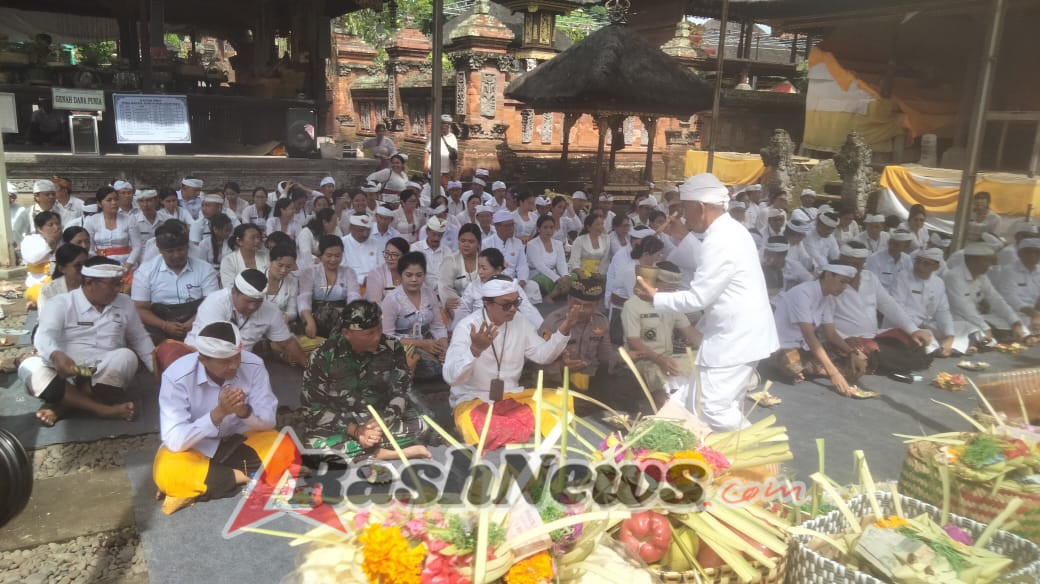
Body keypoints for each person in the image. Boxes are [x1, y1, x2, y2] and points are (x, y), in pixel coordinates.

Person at [634, 173, 778, 431]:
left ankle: (758, 458)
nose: (681, 216)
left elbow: (698, 296)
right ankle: (717, 460)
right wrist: (683, 238)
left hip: (734, 339)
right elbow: (708, 265)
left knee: (712, 408)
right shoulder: (730, 230)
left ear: (700, 207)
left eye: (684, 209)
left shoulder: (721, 239)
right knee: (693, 401)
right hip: (737, 335)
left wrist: (655, 297)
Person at [153, 321, 287, 515]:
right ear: (203, 359)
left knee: (283, 449)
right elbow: (174, 441)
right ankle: (246, 476)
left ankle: (209, 481)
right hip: (196, 447)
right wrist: (218, 414)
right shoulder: (177, 377)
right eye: (224, 361)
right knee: (168, 472)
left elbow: (268, 421)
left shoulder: (253, 365)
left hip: (240, 439)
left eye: (236, 357)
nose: (233, 365)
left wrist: (244, 412)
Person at [444, 276, 581, 449]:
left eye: (516, 303)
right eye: (506, 304)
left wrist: (564, 329)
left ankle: (510, 431)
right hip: (474, 400)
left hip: (512, 396)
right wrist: (475, 350)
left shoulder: (520, 321)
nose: (513, 309)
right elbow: (452, 378)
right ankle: (521, 429)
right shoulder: (466, 327)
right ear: (487, 303)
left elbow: (542, 356)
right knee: (475, 423)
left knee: (561, 400)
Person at [20, 258, 155, 427]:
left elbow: (140, 338)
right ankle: (102, 409)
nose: (118, 289)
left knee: (127, 357)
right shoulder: (61, 303)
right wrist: (56, 355)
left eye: (118, 283)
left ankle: (64, 406)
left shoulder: (124, 302)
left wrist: (156, 370)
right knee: (29, 366)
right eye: (112, 284)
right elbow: (44, 336)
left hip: (100, 370)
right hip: (66, 371)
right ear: (90, 282)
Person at [300, 300, 432, 461]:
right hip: (342, 423)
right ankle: (385, 453)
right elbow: (312, 408)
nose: (377, 337)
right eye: (369, 333)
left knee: (423, 425)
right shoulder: (323, 356)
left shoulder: (391, 347)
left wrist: (383, 419)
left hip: (379, 418)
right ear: (347, 333)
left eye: (379, 330)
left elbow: (401, 389)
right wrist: (355, 431)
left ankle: (361, 451)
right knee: (311, 447)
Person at [831, 242, 934, 374]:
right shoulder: (832, 283)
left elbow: (888, 305)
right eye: (848, 264)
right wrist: (843, 338)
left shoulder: (870, 278)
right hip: (848, 340)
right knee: (875, 352)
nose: (852, 269)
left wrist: (913, 330)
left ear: (864, 263)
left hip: (874, 337)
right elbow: (823, 321)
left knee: (910, 339)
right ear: (841, 261)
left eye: (856, 265)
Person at [769, 264, 864, 396]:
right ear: (828, 275)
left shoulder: (825, 298)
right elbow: (809, 336)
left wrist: (851, 352)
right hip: (785, 348)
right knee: (789, 361)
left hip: (807, 350)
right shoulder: (803, 293)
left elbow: (831, 334)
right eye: (841, 282)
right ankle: (828, 370)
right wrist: (834, 373)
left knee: (857, 356)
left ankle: (818, 369)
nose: (843, 288)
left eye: (846, 284)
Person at [186, 269, 308, 366]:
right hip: (201, 357)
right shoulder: (215, 302)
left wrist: (308, 367)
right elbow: (214, 345)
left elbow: (286, 342)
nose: (252, 307)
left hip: (240, 363)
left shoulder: (271, 310)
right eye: (248, 301)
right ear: (234, 292)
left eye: (258, 302)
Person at [623, 262, 701, 407]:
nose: (672, 290)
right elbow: (634, 342)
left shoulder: (671, 305)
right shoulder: (632, 305)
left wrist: (712, 350)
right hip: (645, 360)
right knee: (657, 373)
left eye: (675, 287)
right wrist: (659, 360)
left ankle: (698, 409)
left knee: (702, 360)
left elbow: (690, 332)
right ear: (653, 282)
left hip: (669, 357)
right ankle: (669, 413)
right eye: (668, 285)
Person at [133, 222, 220, 344]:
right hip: (159, 325)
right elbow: (140, 308)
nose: (177, 255)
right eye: (170, 251)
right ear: (160, 250)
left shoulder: (205, 269)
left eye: (181, 249)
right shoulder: (145, 271)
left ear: (187, 247)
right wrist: (165, 325)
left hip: (198, 321)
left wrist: (191, 324)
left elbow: (211, 304)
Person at [944, 243, 1025, 353]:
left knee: (1007, 322)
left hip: (974, 318)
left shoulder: (981, 276)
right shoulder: (953, 277)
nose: (989, 265)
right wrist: (985, 328)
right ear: (972, 261)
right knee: (972, 332)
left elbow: (996, 299)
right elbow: (964, 308)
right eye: (986, 261)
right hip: (955, 319)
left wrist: (1015, 322)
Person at [539, 277, 616, 392]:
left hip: (591, 379)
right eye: (577, 304)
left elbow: (606, 356)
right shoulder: (553, 322)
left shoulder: (601, 321)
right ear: (569, 299)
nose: (581, 310)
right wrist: (561, 367)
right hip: (557, 382)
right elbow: (538, 362)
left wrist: (624, 358)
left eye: (588, 306)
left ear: (597, 305)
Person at [381, 253, 449, 381]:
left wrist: (443, 347)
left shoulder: (429, 293)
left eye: (419, 275)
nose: (414, 279)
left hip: (430, 341)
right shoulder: (392, 300)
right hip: (403, 345)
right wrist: (422, 344)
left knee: (455, 354)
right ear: (400, 275)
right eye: (409, 275)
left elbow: (438, 326)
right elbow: (387, 337)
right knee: (431, 367)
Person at [889, 248, 956, 356]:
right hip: (903, 324)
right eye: (918, 261)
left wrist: (950, 336)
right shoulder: (902, 277)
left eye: (926, 263)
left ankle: (945, 346)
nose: (919, 266)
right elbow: (897, 308)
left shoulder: (938, 283)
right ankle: (939, 349)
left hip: (927, 325)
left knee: (959, 327)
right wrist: (923, 325)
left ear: (936, 267)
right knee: (927, 335)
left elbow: (943, 311)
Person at [452, 248, 543, 329]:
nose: (480, 272)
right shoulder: (473, 286)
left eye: (484, 268)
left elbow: (527, 309)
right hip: (481, 329)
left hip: (507, 328)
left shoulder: (511, 286)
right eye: (479, 267)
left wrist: (543, 328)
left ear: (498, 269)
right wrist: (457, 330)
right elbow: (463, 310)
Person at [299, 235, 360, 339]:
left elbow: (353, 298)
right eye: (329, 255)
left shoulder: (349, 272)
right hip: (316, 317)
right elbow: (304, 300)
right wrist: (310, 322)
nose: (333, 260)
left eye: (337, 256)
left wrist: (351, 321)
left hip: (342, 317)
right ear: (321, 255)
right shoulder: (309, 272)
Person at [483, 210, 541, 303]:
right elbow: (487, 268)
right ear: (497, 227)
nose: (511, 229)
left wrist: (522, 282)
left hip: (514, 281)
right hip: (495, 281)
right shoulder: (486, 243)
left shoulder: (517, 242)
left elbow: (522, 265)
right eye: (507, 226)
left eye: (512, 225)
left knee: (533, 286)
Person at [990, 237, 1040, 339]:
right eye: (1028, 251)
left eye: (1037, 252)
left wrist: (1036, 315)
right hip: (1010, 313)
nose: (1033, 255)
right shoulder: (1009, 271)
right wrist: (1034, 314)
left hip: (1032, 315)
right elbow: (1010, 298)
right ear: (1019, 254)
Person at [85, 186, 136, 269]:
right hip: (100, 263)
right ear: (99, 203)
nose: (114, 203)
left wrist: (128, 265)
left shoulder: (129, 219)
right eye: (109, 200)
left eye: (116, 199)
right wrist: (98, 263)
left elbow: (137, 246)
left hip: (126, 263)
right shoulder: (91, 221)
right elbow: (89, 248)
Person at [440, 224, 481, 321]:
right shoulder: (450, 260)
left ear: (478, 243)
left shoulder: (485, 260)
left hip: (482, 302)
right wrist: (464, 304)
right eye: (462, 241)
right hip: (458, 304)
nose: (466, 245)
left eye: (471, 241)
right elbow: (444, 287)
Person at [527, 215, 572, 302]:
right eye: (545, 227)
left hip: (555, 273)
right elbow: (539, 266)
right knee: (547, 280)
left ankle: (551, 295)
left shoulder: (558, 244)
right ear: (538, 229)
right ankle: (564, 291)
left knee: (573, 276)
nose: (549, 230)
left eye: (551, 227)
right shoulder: (532, 244)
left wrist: (564, 276)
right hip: (537, 274)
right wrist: (557, 279)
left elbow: (561, 263)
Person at [38, 243, 87, 314]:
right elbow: (46, 318)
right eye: (78, 265)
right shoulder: (48, 291)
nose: (84, 269)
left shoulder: (95, 286)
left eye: (86, 264)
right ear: (62, 269)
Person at [340, 213, 382, 285]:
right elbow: (342, 270)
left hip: (375, 283)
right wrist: (362, 280)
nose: (365, 234)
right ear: (351, 228)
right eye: (361, 230)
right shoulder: (341, 243)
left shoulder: (376, 243)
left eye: (368, 230)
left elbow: (381, 266)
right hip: (350, 285)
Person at [264, 244, 299, 326]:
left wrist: (286, 316)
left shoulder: (292, 281)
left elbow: (292, 310)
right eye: (280, 265)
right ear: (270, 260)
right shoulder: (257, 277)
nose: (283, 270)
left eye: (288, 267)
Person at [366, 238, 409, 304]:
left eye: (394, 255)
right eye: (387, 253)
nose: (389, 258)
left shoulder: (412, 271)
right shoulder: (376, 274)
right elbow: (374, 304)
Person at [412, 217, 448, 289]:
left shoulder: (447, 251)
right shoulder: (415, 249)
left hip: (443, 291)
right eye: (434, 234)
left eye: (439, 235)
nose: (436, 238)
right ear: (427, 231)